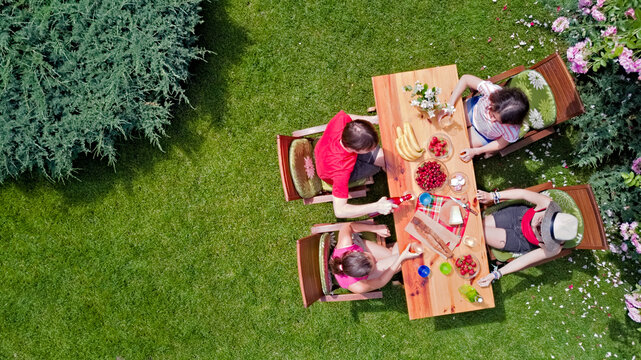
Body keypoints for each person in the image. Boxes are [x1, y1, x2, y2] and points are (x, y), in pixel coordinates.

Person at [475, 188, 579, 287]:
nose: (537, 226)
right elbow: (522, 194)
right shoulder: (547, 204)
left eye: (543, 232)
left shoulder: (553, 248)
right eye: (543, 221)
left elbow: (524, 260)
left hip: (519, 240)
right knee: (477, 225)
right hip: (516, 216)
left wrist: (496, 274)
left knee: (480, 232)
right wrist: (492, 196)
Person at [314, 110, 393, 218]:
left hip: (324, 150)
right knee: (379, 166)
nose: (373, 148)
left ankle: (378, 162)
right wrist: (377, 206)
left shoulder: (342, 122)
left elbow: (348, 116)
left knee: (386, 160)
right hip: (331, 171)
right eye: (369, 149)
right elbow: (340, 211)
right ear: (354, 150)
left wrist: (373, 120)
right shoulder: (341, 171)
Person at [436, 74, 529, 161]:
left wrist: (476, 151)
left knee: (455, 144)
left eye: (498, 121)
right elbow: (465, 79)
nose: (492, 120)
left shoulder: (512, 129)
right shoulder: (491, 91)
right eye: (492, 114)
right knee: (442, 126)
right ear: (493, 100)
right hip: (472, 111)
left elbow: (500, 143)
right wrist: (449, 106)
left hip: (482, 135)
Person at [328, 222, 421, 293]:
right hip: (365, 273)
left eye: (372, 258)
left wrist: (376, 228)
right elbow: (380, 281)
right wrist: (401, 259)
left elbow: (349, 225)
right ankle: (408, 249)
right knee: (402, 257)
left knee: (394, 255)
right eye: (373, 265)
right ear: (364, 275)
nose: (375, 260)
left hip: (358, 249)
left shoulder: (345, 244)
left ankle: (401, 251)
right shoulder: (358, 286)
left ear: (356, 251)